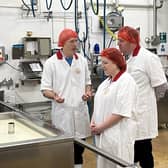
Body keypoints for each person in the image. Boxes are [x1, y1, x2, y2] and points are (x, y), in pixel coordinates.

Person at [40, 28, 92, 168]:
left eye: (76, 41)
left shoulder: (81, 60)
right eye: (71, 41)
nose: (75, 44)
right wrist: (55, 96)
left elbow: (88, 82)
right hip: (63, 113)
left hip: (80, 110)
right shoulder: (51, 63)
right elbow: (45, 89)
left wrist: (87, 93)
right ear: (62, 44)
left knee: (80, 148)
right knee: (63, 149)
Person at [118, 26, 168, 168]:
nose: (118, 44)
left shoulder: (148, 58)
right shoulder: (130, 60)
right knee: (133, 150)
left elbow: (162, 85)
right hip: (131, 114)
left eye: (121, 41)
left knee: (144, 150)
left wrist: (147, 102)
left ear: (132, 41)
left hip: (143, 114)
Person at [90, 48, 138, 168]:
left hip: (119, 136)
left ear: (116, 63)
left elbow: (120, 113)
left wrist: (100, 127)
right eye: (102, 63)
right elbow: (98, 105)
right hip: (103, 136)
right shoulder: (106, 83)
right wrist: (93, 122)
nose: (102, 66)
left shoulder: (126, 81)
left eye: (105, 63)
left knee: (119, 164)